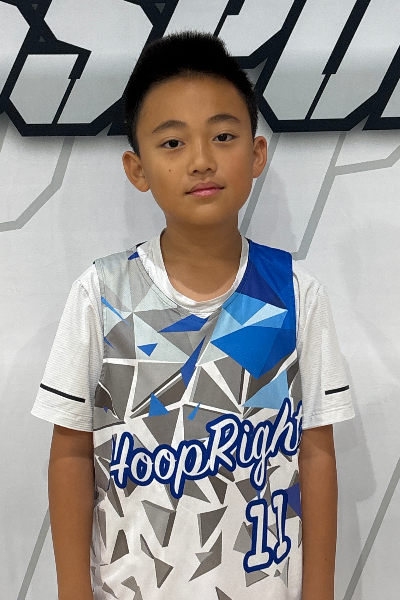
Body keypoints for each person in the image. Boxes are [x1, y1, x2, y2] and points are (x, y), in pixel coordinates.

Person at [32, 31, 354, 600]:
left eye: (223, 136)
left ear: (257, 153)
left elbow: (317, 452)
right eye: (173, 142)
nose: (202, 160)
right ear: (137, 168)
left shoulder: (296, 294)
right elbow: (71, 452)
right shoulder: (100, 293)